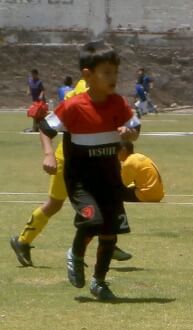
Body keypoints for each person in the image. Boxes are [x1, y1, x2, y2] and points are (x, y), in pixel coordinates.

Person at [38, 41, 140, 300]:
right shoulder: (73, 107)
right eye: (106, 72)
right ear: (87, 75)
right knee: (92, 220)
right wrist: (49, 154)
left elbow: (135, 127)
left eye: (115, 72)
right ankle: (75, 253)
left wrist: (131, 132)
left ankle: (99, 281)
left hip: (109, 179)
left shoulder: (118, 103)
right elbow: (45, 128)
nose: (113, 78)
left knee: (109, 232)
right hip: (81, 180)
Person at [10, 74, 133, 268]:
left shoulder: (94, 88)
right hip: (70, 160)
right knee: (55, 204)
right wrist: (48, 154)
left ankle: (108, 242)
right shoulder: (86, 89)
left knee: (103, 200)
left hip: (91, 159)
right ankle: (23, 240)